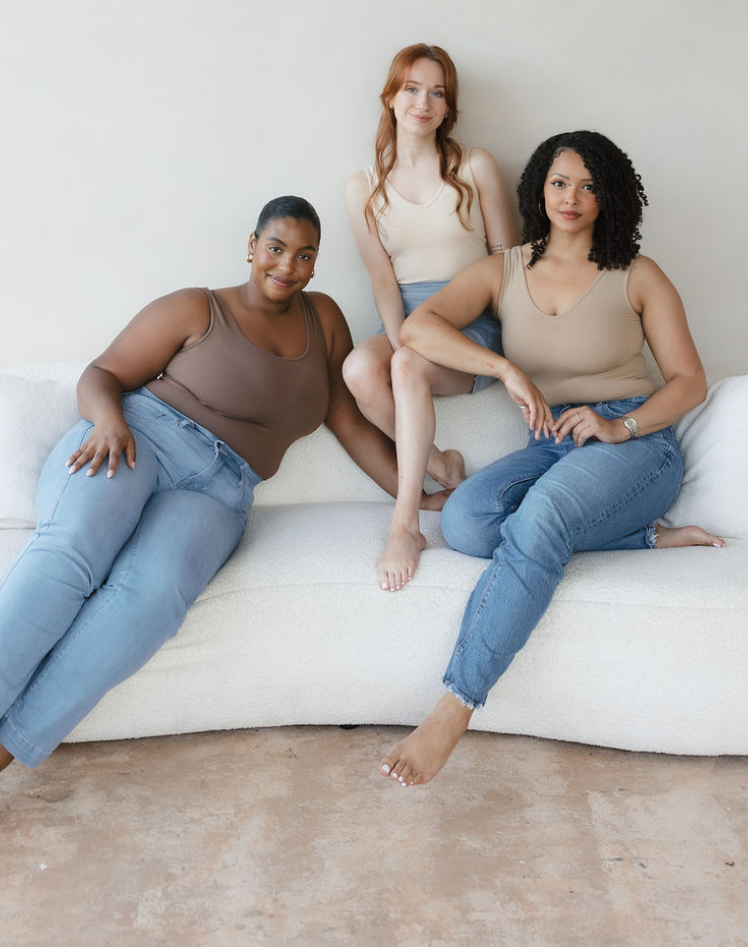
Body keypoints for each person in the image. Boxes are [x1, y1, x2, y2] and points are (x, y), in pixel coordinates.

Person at [0, 196, 444, 776]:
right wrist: (108, 419)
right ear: (253, 246)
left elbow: (349, 423)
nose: (287, 265)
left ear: (316, 263)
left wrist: (414, 496)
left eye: (304, 255)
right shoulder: (197, 307)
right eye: (276, 248)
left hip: (220, 490)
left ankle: (7, 750)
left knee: (151, 602)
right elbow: (102, 373)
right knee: (71, 552)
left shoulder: (325, 319)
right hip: (137, 439)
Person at [378, 132, 725, 788]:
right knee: (465, 521)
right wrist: (504, 369)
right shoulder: (505, 269)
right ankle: (643, 538)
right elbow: (420, 329)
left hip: (636, 447)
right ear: (539, 187)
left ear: (609, 197)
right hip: (550, 442)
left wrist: (619, 425)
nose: (572, 197)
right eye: (560, 182)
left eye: (589, 186)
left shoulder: (638, 273)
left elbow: (689, 382)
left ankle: (455, 705)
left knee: (539, 517)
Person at [342, 43, 516, 593]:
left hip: (469, 317)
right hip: (409, 317)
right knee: (358, 369)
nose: (423, 102)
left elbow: (507, 262)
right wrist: (401, 341)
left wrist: (519, 348)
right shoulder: (363, 185)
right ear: (391, 98)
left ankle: (406, 525)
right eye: (412, 89)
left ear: (448, 107)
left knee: (408, 366)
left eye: (437, 93)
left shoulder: (475, 166)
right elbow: (382, 279)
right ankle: (441, 466)